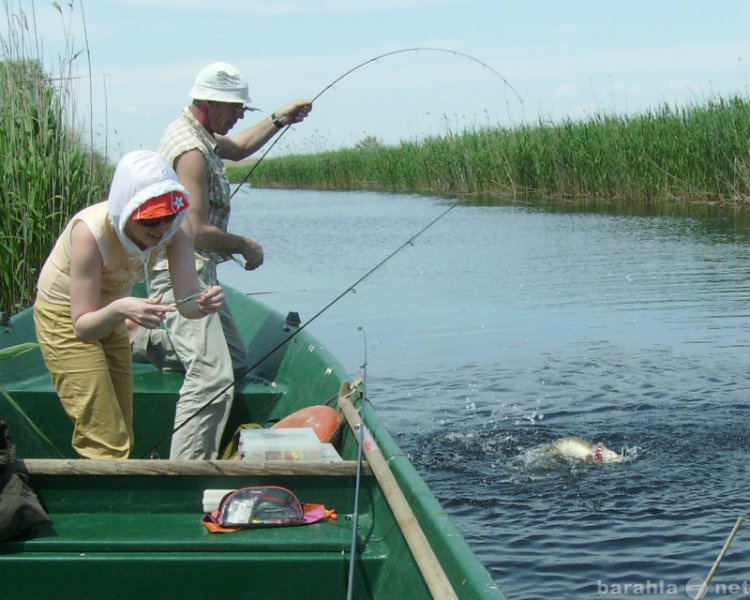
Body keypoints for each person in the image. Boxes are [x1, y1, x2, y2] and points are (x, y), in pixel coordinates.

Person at [131, 62, 312, 460]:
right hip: (179, 275)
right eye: (235, 109)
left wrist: (280, 118)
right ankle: (187, 471)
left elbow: (242, 147)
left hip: (201, 273)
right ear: (210, 103)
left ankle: (148, 338)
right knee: (212, 376)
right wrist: (244, 244)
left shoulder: (204, 135)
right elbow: (193, 229)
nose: (238, 116)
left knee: (234, 359)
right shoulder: (191, 151)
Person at [33, 150, 225, 459]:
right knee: (105, 437)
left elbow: (188, 302)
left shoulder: (177, 228)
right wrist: (122, 309)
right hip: (67, 316)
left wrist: (203, 304)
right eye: (150, 219)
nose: (160, 229)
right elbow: (82, 326)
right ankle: (104, 502)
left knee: (122, 423)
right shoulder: (90, 233)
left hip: (114, 310)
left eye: (168, 216)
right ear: (127, 211)